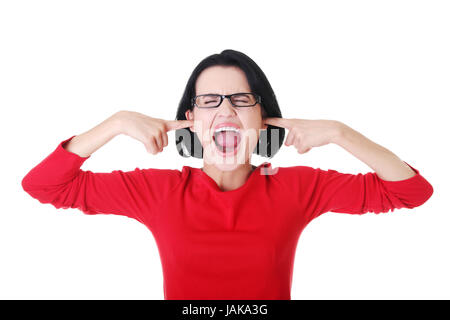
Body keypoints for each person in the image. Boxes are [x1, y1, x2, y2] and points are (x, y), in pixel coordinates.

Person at [21, 49, 434, 300]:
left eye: (240, 99)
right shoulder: (157, 191)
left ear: (263, 116)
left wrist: (341, 132)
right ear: (190, 119)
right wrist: (114, 123)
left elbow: (411, 191)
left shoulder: (296, 187)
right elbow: (42, 185)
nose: (225, 111)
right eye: (209, 100)